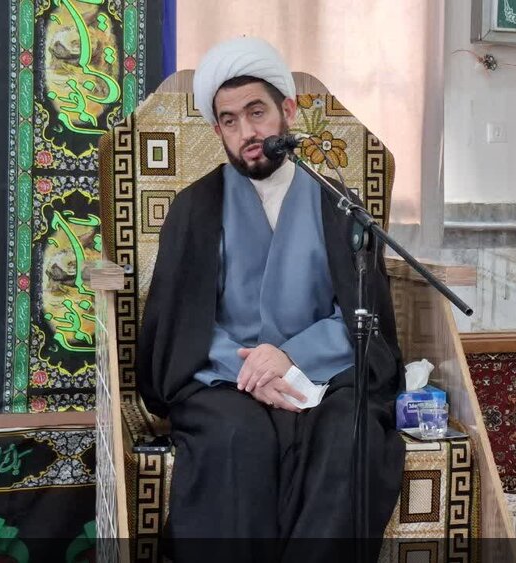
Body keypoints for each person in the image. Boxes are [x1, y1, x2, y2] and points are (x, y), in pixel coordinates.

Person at [134, 37, 405, 562]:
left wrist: (290, 357)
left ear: (288, 111)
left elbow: (360, 317)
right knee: (236, 437)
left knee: (352, 435)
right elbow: (182, 325)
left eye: (256, 113)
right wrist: (252, 371)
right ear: (218, 131)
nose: (247, 133)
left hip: (325, 374)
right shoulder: (194, 209)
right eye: (230, 121)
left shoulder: (338, 204)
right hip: (222, 378)